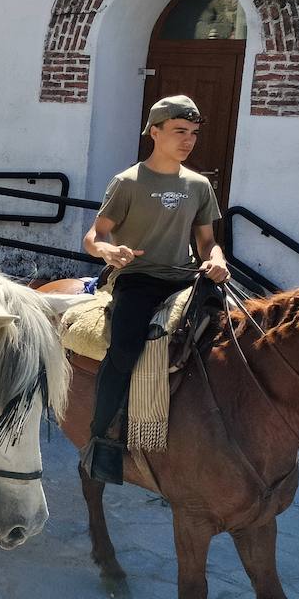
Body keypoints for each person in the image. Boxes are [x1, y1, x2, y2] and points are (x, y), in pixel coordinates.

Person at [80, 95, 229, 485]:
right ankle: (101, 438)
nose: (188, 140)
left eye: (194, 133)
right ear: (155, 131)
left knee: (233, 336)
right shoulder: (128, 183)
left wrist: (217, 260)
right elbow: (94, 236)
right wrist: (109, 250)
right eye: (180, 131)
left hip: (185, 277)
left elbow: (207, 242)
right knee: (126, 348)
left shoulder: (199, 185)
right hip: (138, 278)